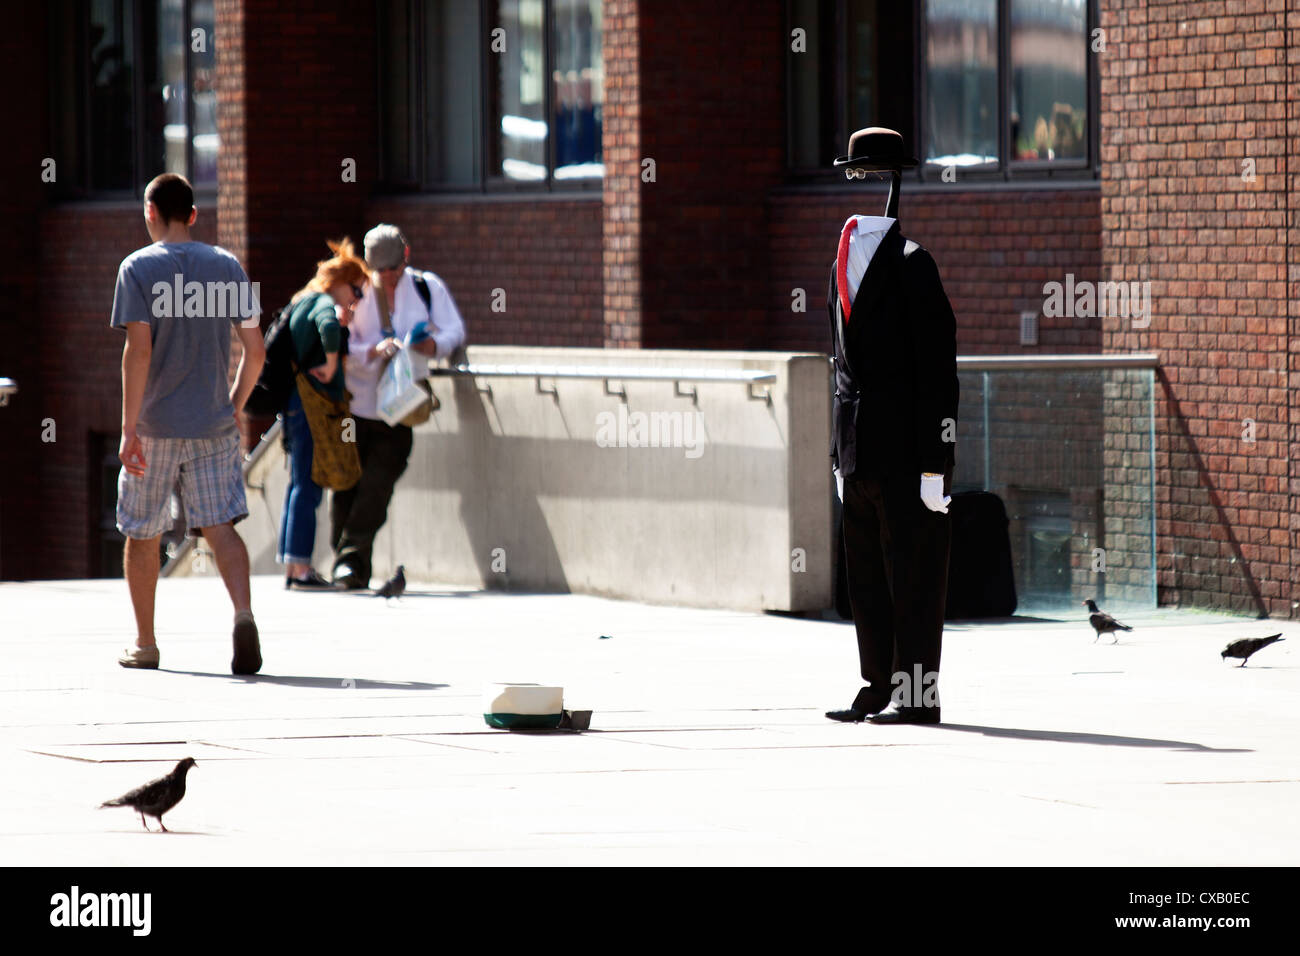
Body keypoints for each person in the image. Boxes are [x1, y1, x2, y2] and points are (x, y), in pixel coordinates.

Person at [823, 128, 959, 725]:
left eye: (871, 176)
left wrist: (936, 464)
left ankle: (918, 695)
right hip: (858, 455)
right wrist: (837, 455)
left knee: (915, 579)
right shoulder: (839, 266)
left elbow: (939, 373)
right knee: (868, 582)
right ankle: (877, 684)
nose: (863, 187)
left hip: (907, 454)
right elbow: (839, 367)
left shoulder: (913, 264)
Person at [112, 173, 266, 674]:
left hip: (154, 426)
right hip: (213, 424)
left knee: (144, 533)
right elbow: (256, 350)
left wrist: (128, 428)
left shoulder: (137, 267)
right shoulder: (227, 266)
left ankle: (145, 643)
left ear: (150, 213)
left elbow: (138, 352)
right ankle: (243, 615)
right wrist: (234, 404)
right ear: (194, 214)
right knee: (220, 526)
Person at [330, 224, 466, 590]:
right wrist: (372, 351)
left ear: (405, 258)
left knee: (377, 487)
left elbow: (453, 331)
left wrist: (431, 346)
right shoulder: (356, 291)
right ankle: (350, 565)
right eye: (380, 271)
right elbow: (338, 341)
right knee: (346, 488)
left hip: (401, 408)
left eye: (393, 269)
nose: (388, 277)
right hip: (357, 405)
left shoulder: (425, 287)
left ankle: (349, 561)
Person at [277, 238, 368, 589]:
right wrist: (331, 364)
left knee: (298, 483)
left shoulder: (302, 301)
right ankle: (301, 569)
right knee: (309, 485)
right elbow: (328, 327)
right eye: (355, 291)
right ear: (339, 282)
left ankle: (293, 565)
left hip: (297, 403)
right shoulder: (322, 302)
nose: (356, 300)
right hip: (312, 403)